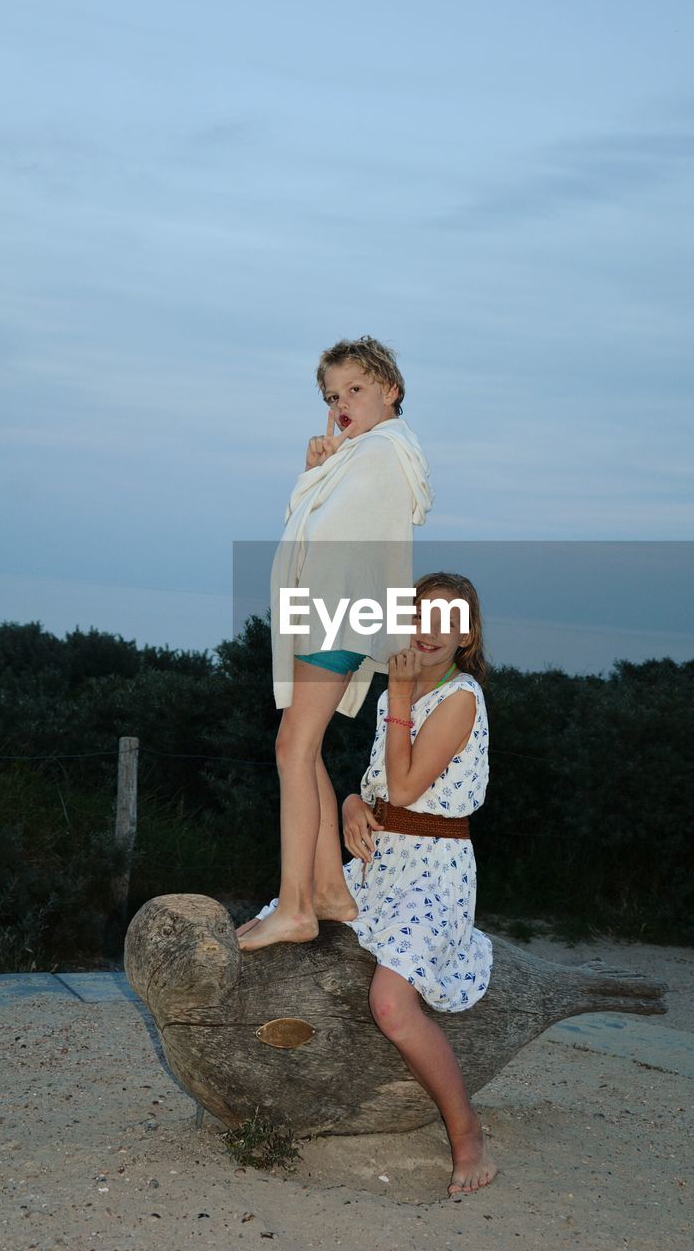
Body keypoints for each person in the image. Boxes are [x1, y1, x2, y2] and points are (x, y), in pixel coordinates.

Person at [242, 572, 497, 1197]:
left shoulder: (459, 697)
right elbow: (384, 783)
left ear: (466, 636)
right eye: (421, 614)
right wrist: (357, 801)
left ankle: (467, 1135)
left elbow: (410, 789)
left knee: (390, 1003)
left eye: (448, 618)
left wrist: (403, 692)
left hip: (434, 872)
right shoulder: (393, 697)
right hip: (383, 856)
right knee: (310, 772)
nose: (431, 629)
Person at [237, 337, 433, 952]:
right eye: (331, 396)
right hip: (329, 609)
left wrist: (331, 464)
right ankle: (328, 892)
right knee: (303, 743)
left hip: (339, 610)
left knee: (294, 744)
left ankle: (296, 906)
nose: (341, 404)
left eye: (355, 389)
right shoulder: (363, 452)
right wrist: (321, 467)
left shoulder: (384, 451)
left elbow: (329, 537)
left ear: (390, 389)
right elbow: (315, 524)